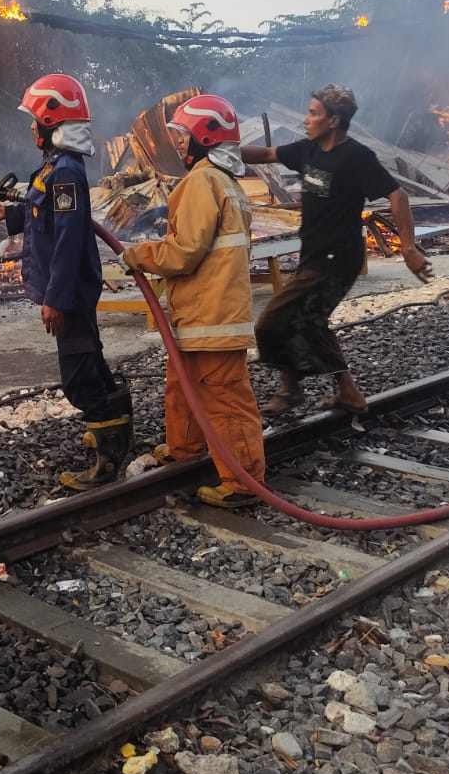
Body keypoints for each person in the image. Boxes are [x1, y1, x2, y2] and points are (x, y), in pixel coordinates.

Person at [242, 84, 432, 415]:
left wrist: (408, 248)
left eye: (313, 113)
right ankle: (346, 394)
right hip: (315, 254)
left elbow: (398, 196)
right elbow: (269, 154)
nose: (306, 119)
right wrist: (218, 152)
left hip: (339, 258)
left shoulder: (356, 157)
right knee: (310, 321)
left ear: (333, 121)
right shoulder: (308, 151)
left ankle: (292, 388)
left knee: (271, 322)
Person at [0, 73, 132, 490]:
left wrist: (56, 300)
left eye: (35, 118)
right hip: (70, 291)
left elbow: (66, 241)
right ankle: (115, 430)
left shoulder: (65, 173)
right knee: (91, 361)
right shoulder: (53, 168)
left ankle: (108, 458)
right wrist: (5, 216)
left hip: (70, 293)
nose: (30, 126)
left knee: (78, 375)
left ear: (53, 121)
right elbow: (40, 217)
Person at [120, 95, 267, 509]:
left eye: (184, 136)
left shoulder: (203, 182)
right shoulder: (227, 183)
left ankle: (243, 483)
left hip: (213, 317)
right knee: (182, 385)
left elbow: (185, 251)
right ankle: (185, 450)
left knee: (224, 399)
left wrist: (140, 255)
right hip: (202, 314)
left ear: (206, 137)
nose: (179, 144)